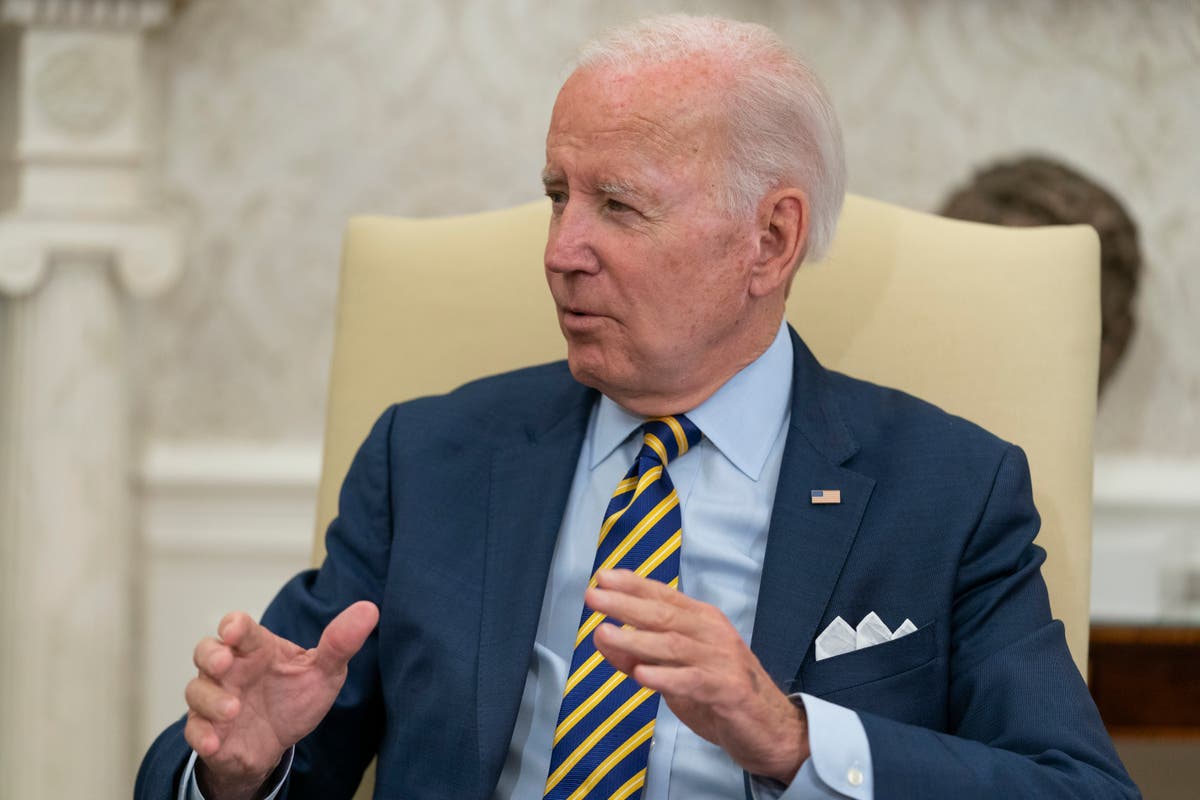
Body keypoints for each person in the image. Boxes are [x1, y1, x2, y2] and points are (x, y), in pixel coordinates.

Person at [136, 14, 1139, 800]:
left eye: (617, 205)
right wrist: (239, 766)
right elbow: (263, 744)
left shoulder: (948, 490)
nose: (561, 248)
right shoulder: (432, 456)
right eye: (556, 194)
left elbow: (1078, 783)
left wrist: (789, 735)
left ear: (769, 240)